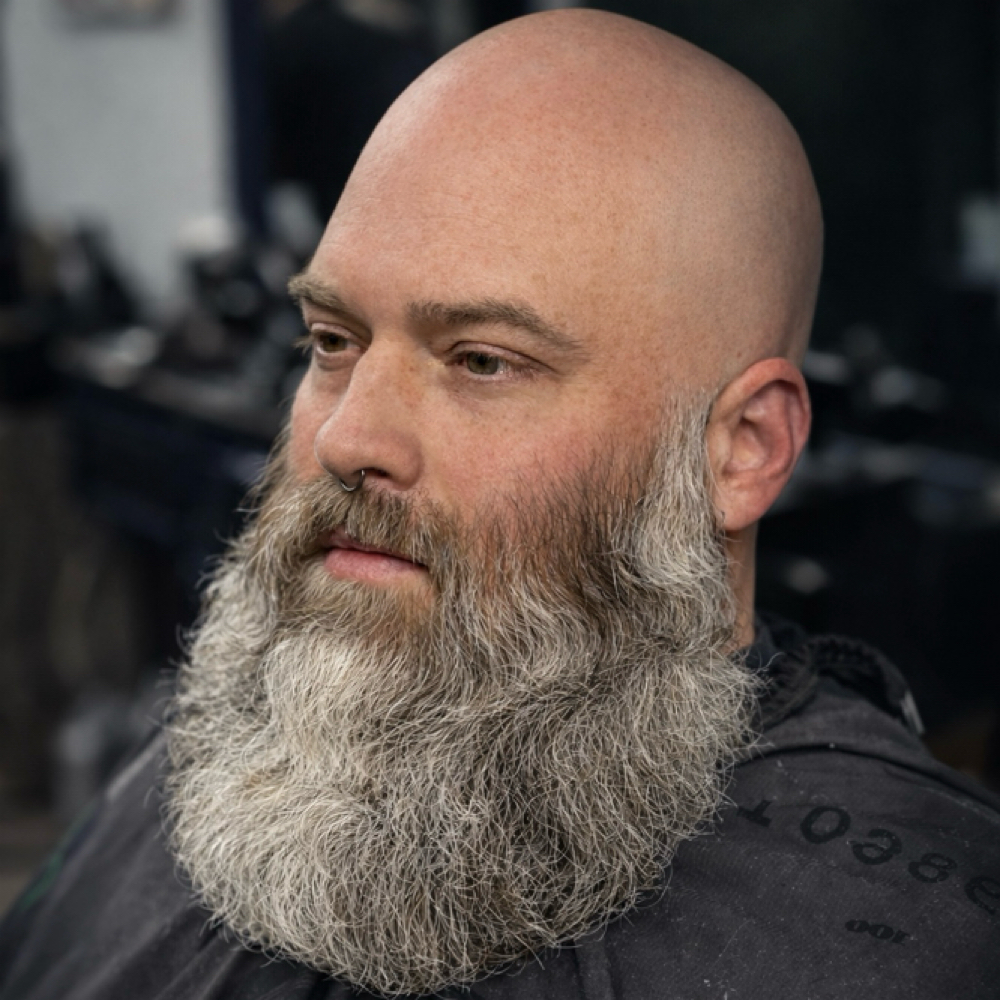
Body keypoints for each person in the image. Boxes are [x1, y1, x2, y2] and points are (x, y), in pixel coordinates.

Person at [1, 10, 998, 999]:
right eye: (332, 341)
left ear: (742, 449)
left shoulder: (911, 932)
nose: (348, 437)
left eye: (481, 360)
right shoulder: (205, 755)